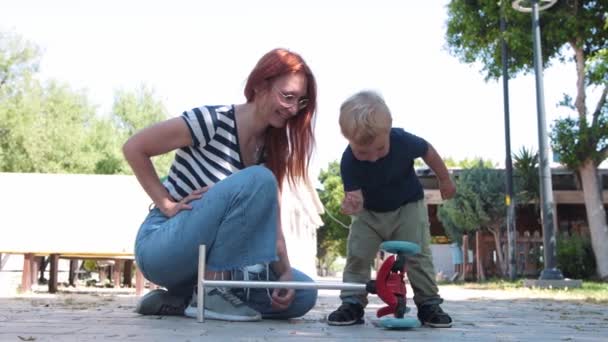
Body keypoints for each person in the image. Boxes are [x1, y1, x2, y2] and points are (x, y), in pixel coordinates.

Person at [123, 48, 318, 322]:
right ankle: (212, 292)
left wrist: (284, 272)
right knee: (259, 178)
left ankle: (183, 298)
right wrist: (166, 204)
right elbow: (135, 147)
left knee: (303, 292)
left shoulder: (272, 152)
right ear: (261, 85)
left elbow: (273, 228)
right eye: (287, 96)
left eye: (300, 101)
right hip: (162, 244)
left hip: (209, 263)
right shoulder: (212, 121)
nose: (293, 108)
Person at [327, 90, 456, 328]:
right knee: (357, 254)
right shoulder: (348, 161)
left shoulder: (403, 141)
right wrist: (350, 204)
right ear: (349, 140)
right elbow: (354, 199)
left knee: (418, 255)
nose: (373, 158)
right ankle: (352, 302)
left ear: (388, 131)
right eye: (363, 152)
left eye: (379, 149)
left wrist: (444, 179)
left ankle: (429, 303)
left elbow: (428, 151)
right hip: (369, 214)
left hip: (408, 206)